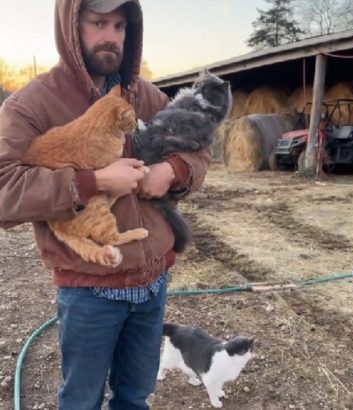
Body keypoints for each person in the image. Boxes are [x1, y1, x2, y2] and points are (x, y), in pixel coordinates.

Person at [0, 0, 211, 408]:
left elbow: (199, 146)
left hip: (153, 280)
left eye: (119, 26)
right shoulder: (32, 104)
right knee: (82, 400)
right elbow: (4, 190)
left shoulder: (147, 96)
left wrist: (173, 170)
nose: (111, 36)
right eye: (98, 23)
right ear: (71, 26)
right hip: (89, 289)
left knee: (135, 395)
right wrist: (91, 181)